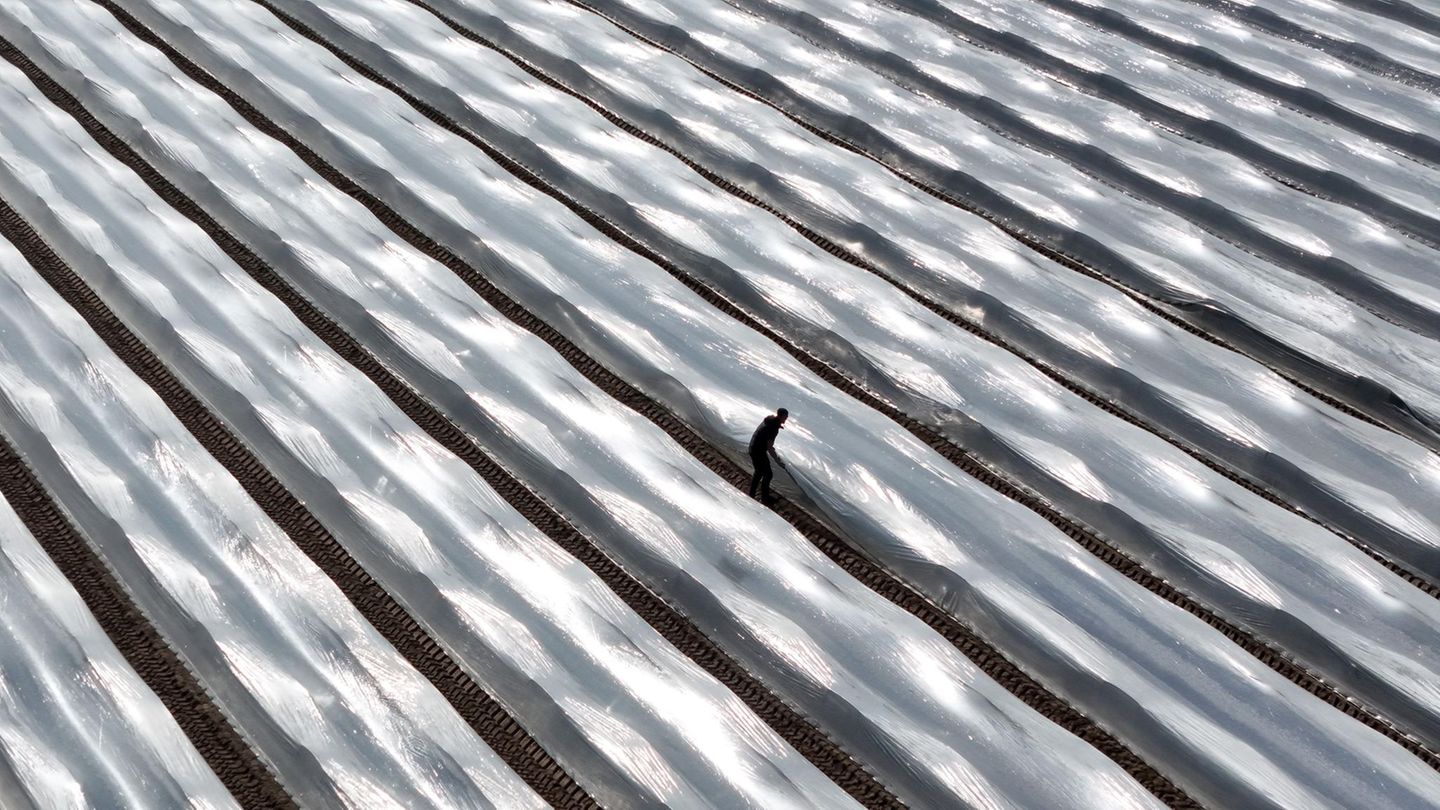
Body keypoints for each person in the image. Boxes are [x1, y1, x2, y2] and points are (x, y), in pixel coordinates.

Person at [747, 408, 788, 503]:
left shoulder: (769, 421)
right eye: (785, 417)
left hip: (753, 447)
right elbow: (769, 447)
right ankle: (764, 498)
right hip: (758, 451)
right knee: (768, 474)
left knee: (759, 472)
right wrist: (778, 461)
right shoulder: (773, 428)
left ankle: (752, 494)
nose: (786, 419)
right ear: (781, 416)